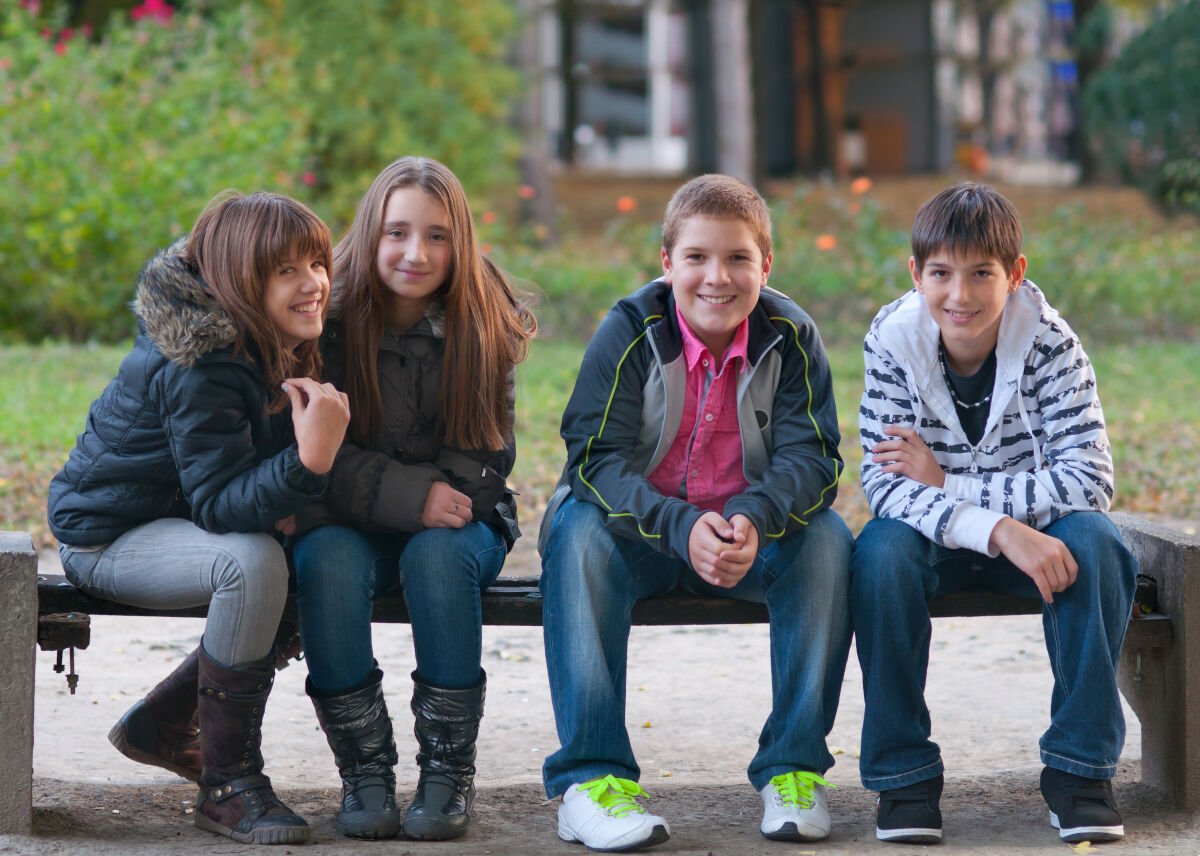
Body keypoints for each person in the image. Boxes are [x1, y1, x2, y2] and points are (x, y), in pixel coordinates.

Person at [537, 174, 853, 851]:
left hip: (747, 541)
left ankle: (793, 767)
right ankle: (592, 781)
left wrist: (753, 517)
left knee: (826, 539)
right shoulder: (630, 330)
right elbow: (593, 457)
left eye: (739, 258)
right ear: (667, 265)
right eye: (697, 258)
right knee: (575, 529)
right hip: (641, 540)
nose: (718, 277)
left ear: (766, 266)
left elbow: (816, 458)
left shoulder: (791, 336)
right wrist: (680, 526)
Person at [47, 191, 351, 845]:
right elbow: (218, 503)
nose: (314, 283)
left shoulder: (269, 334)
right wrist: (308, 465)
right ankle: (229, 785)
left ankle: (164, 721)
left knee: (305, 556)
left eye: (316, 263)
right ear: (243, 281)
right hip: (110, 536)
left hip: (175, 518)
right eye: (287, 271)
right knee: (251, 561)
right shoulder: (200, 362)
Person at [852, 182, 1138, 845]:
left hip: (1038, 541)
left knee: (1096, 543)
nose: (961, 294)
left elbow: (1090, 480)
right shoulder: (892, 340)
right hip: (944, 538)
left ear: (1014, 274)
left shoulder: (1050, 344)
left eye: (982, 273)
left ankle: (1079, 770)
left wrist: (950, 481)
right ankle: (904, 778)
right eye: (942, 274)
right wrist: (999, 528)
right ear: (916, 275)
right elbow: (888, 488)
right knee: (881, 552)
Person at [289, 156, 537, 841]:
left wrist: (436, 498)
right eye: (398, 233)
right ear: (371, 234)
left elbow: (487, 453)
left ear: (459, 242)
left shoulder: (483, 319)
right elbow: (310, 457)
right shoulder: (326, 322)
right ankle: (364, 772)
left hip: (462, 514)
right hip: (347, 518)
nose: (415, 253)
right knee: (327, 560)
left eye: (436, 236)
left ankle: (446, 773)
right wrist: (407, 494)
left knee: (437, 558)